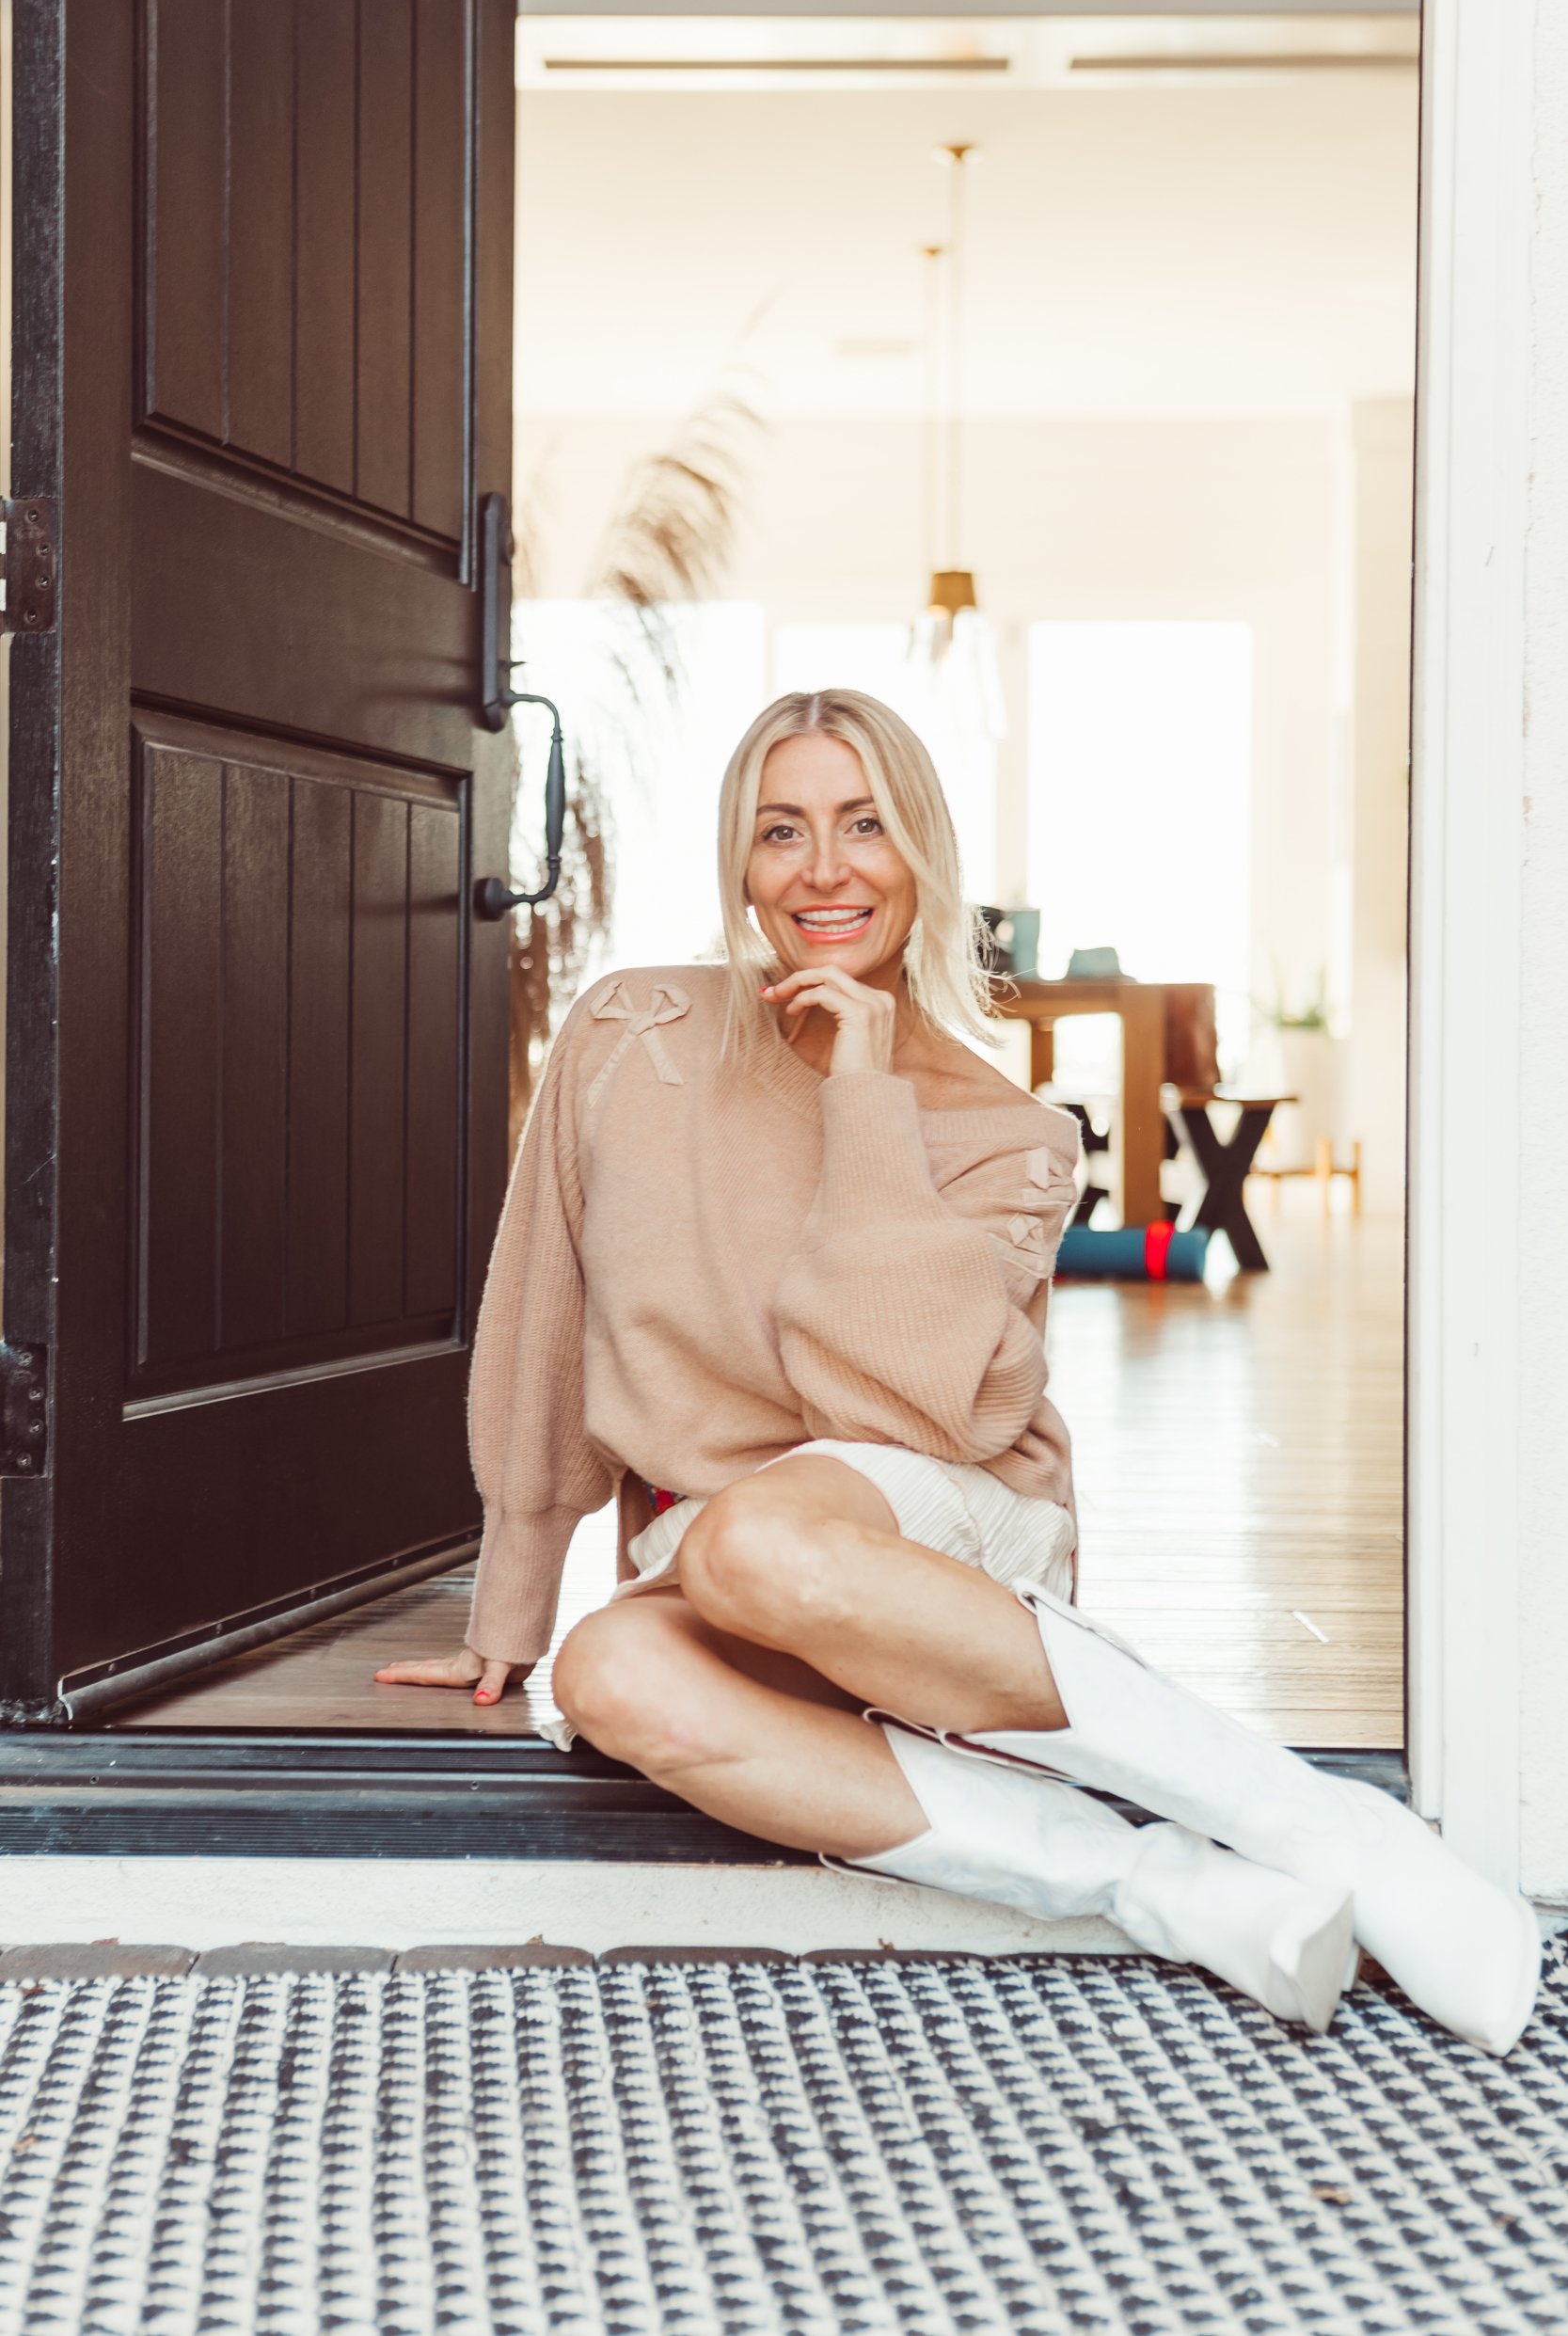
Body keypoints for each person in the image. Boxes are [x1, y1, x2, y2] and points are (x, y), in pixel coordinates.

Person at [379, 688, 1539, 2052]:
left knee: (760, 1541)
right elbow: (543, 1313)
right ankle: (1163, 1889)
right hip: (727, 1559)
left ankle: (1319, 1822)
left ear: (923, 850)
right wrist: (512, 1599)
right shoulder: (633, 1036)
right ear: (739, 866)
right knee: (611, 1674)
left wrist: (868, 1095)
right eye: (781, 831)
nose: (823, 870)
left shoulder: (1014, 1133)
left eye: (865, 825)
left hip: (948, 1534)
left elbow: (900, 1412)